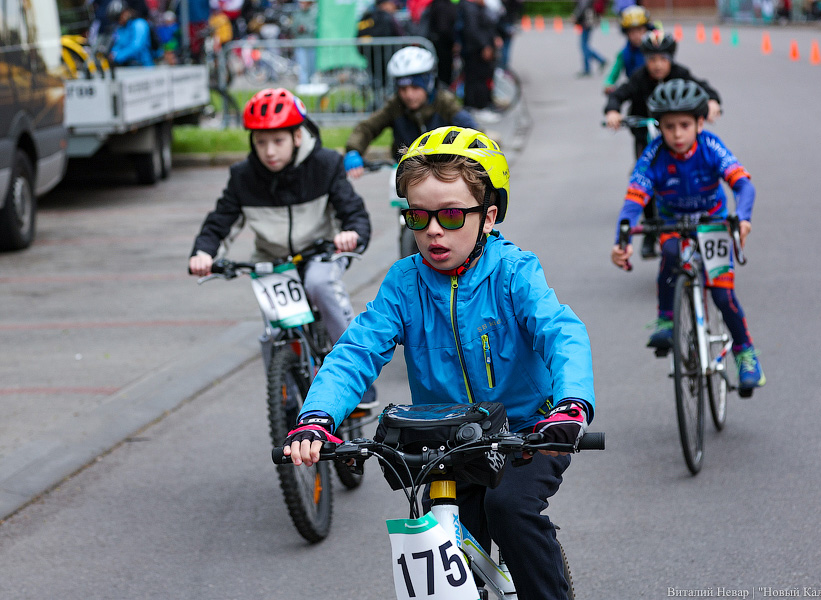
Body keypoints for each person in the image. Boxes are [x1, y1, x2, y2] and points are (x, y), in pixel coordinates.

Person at [283, 126, 596, 600]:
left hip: (527, 432)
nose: (432, 230)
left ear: (488, 217)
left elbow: (562, 333)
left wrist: (571, 406)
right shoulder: (403, 283)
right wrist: (316, 417)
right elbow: (356, 351)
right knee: (442, 539)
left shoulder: (514, 271)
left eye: (451, 215)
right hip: (446, 441)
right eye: (418, 216)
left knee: (508, 509)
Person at [188, 88, 378, 411]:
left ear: (297, 136)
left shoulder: (326, 164)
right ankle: (285, 400)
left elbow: (354, 212)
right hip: (272, 262)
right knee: (274, 330)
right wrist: (204, 253)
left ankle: (355, 375)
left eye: (278, 141)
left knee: (320, 284)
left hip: (321, 252)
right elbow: (220, 222)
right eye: (260, 142)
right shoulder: (243, 177)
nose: (269, 151)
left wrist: (351, 234)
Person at [609, 79, 765, 393]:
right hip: (673, 224)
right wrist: (621, 240)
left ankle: (745, 353)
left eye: (684, 125)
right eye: (669, 127)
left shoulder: (710, 147)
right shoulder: (654, 154)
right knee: (669, 253)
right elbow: (634, 200)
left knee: (722, 296)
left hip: (713, 224)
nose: (677, 134)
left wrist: (744, 219)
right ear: (659, 127)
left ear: (699, 123)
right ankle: (667, 319)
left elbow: (743, 185)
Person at [604, 30, 722, 258]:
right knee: (643, 178)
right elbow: (618, 94)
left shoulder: (680, 74)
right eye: (652, 59)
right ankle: (650, 232)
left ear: (671, 59)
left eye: (663, 59)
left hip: (675, 140)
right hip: (645, 135)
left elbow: (705, 88)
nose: (657, 65)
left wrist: (713, 101)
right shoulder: (639, 77)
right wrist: (612, 111)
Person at [343, 46, 479, 176]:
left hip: (443, 171)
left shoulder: (444, 103)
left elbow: (472, 132)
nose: (408, 95)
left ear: (428, 84)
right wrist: (353, 151)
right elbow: (367, 127)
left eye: (415, 87)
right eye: (403, 89)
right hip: (405, 172)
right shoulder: (395, 105)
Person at [459, 0, 501, 109]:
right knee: (476, 80)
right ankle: (478, 106)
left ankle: (481, 104)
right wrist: (485, 45)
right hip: (475, 51)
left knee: (480, 79)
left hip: (478, 49)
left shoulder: (477, 8)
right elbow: (472, 30)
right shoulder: (470, 8)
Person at [603, 5, 653, 93]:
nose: (636, 35)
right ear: (626, 33)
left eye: (639, 29)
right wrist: (608, 84)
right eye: (632, 31)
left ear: (647, 29)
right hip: (635, 93)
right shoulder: (624, 53)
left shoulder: (656, 49)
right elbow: (612, 75)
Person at [106, 0, 155, 66]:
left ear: (125, 12)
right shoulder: (120, 28)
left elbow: (137, 46)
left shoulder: (139, 24)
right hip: (127, 66)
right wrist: (113, 54)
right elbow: (118, 44)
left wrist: (117, 56)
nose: (119, 21)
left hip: (143, 66)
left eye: (118, 17)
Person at [573, 0, 607, 77]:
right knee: (585, 45)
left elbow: (583, 6)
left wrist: (576, 17)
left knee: (584, 46)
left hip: (586, 21)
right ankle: (598, 62)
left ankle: (589, 67)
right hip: (589, 20)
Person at [287, 0, 317, 84]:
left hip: (312, 44)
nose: (302, 4)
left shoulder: (315, 13)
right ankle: (303, 85)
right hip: (300, 44)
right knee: (303, 66)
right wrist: (298, 29)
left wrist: (306, 28)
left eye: (304, 2)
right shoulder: (297, 14)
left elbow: (316, 28)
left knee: (312, 67)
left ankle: (311, 85)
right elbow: (293, 28)